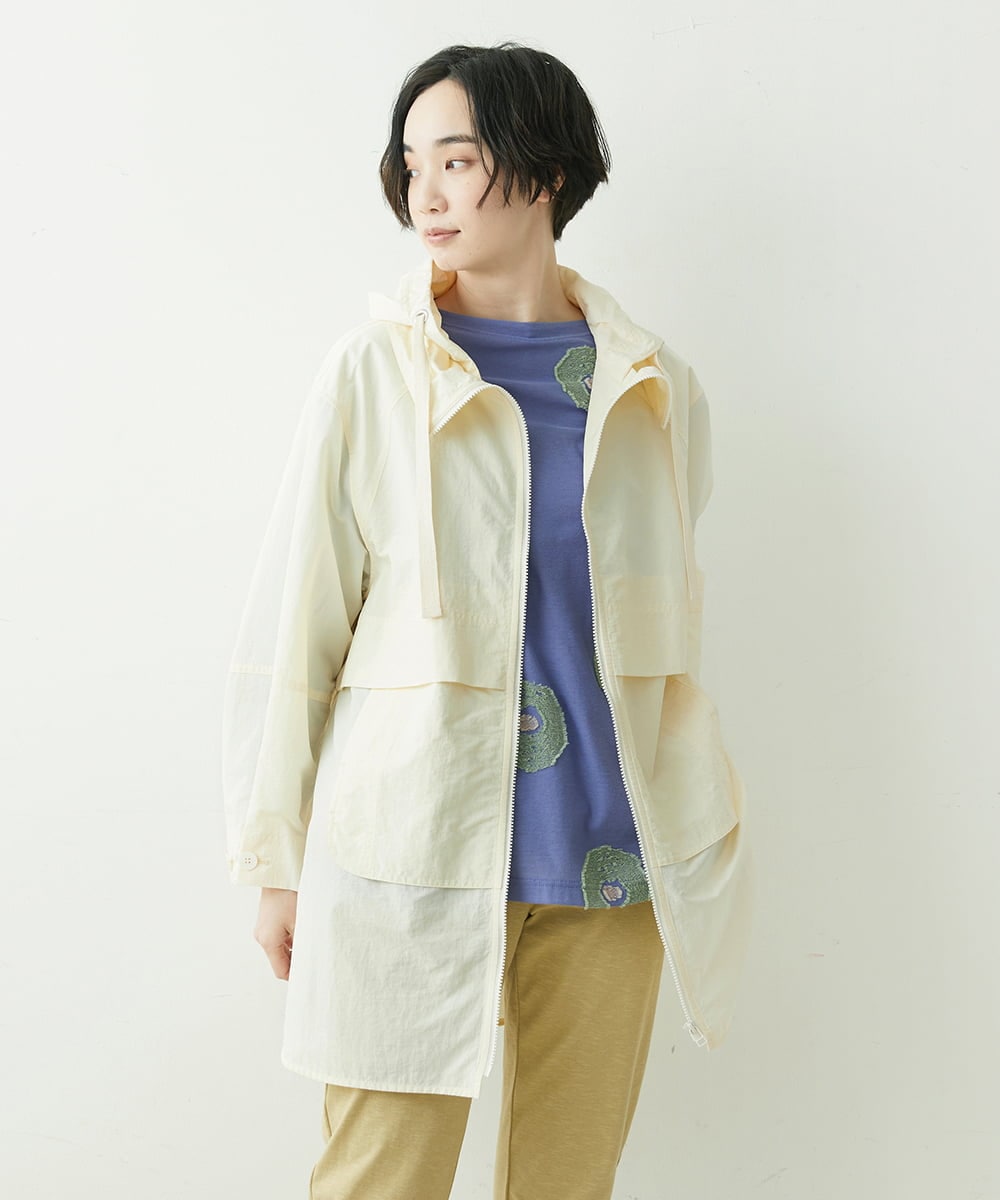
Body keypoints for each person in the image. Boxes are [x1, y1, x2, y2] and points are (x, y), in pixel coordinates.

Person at [222, 42, 753, 1200]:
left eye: (457, 160)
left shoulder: (654, 386)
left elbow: (657, 623)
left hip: (611, 857)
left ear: (545, 170)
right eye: (411, 165)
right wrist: (275, 861)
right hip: (407, 849)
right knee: (378, 1180)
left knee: (567, 1186)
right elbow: (297, 625)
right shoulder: (374, 375)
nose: (426, 192)